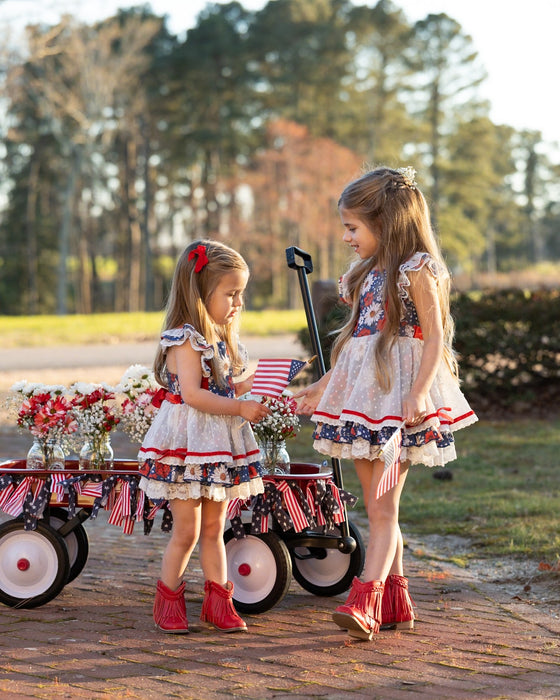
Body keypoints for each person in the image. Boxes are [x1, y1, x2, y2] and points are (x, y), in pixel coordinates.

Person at [294, 166, 477, 641]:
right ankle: (397, 599)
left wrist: (418, 393)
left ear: (388, 221)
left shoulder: (417, 270)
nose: (346, 236)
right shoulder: (368, 275)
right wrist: (319, 388)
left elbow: (434, 337)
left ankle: (366, 597)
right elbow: (356, 349)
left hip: (401, 414)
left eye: (354, 227)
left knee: (382, 510)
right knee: (378, 509)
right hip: (363, 411)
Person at [138, 239, 271, 634]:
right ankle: (169, 598)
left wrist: (253, 385)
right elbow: (194, 395)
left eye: (240, 294)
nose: (238, 303)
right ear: (200, 292)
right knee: (188, 530)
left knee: (215, 528)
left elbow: (223, 387)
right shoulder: (185, 338)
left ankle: (218, 601)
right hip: (189, 442)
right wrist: (239, 408)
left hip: (215, 443)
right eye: (230, 294)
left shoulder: (219, 338)